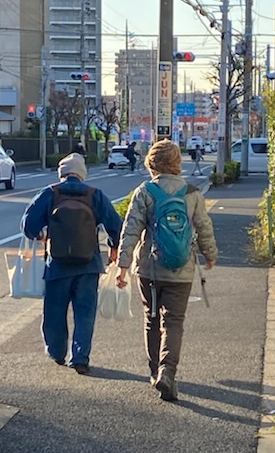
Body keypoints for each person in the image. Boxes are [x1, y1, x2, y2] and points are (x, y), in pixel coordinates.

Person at [116, 139, 217, 401]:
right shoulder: (192, 192)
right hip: (181, 268)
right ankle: (167, 371)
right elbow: (204, 227)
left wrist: (123, 266)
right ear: (177, 163)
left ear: (152, 163)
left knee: (151, 319)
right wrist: (210, 254)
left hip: (149, 268)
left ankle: (153, 371)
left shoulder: (145, 191)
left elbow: (131, 230)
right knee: (173, 322)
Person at [21, 153, 122, 375]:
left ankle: (57, 352)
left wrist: (40, 235)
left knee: (55, 312)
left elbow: (28, 225)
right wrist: (113, 246)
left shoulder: (50, 194)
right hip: (89, 265)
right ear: (82, 174)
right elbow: (116, 225)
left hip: (57, 265)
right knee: (85, 314)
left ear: (62, 173)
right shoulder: (95, 195)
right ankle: (80, 358)